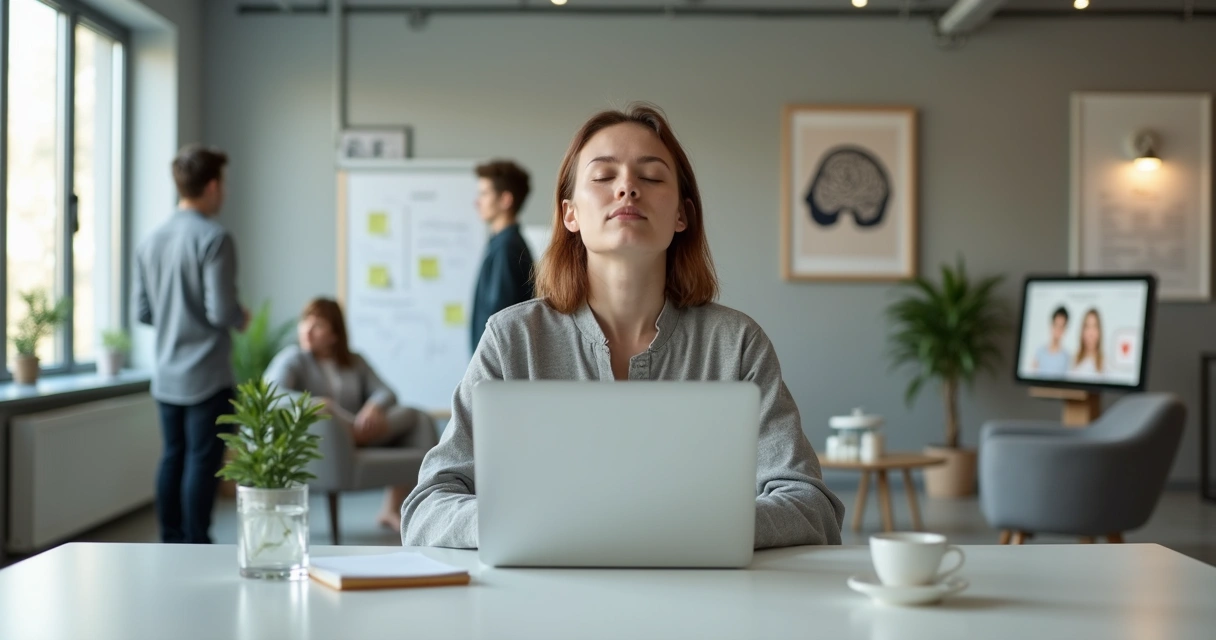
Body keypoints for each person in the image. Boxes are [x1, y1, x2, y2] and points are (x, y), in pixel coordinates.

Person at [402, 104, 845, 549]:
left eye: (651, 177)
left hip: (704, 606)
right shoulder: (512, 338)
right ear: (570, 213)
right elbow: (426, 509)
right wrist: (527, 523)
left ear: (681, 215)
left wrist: (692, 527)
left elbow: (812, 506)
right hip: (541, 608)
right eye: (603, 177)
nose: (628, 188)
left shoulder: (737, 345)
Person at [133, 145, 249, 544]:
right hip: (206, 374)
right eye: (225, 184)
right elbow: (220, 312)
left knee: (173, 456)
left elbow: (144, 312)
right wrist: (240, 315)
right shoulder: (215, 238)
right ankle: (196, 541)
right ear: (213, 185)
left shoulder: (151, 240)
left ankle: (170, 539)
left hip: (166, 373)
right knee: (202, 461)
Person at [264, 298, 439, 529]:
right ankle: (354, 433)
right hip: (327, 441)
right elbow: (270, 394)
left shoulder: (354, 361)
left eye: (317, 325)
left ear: (335, 334)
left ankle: (390, 508)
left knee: (412, 414)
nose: (307, 330)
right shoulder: (293, 359)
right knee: (328, 411)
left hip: (363, 430)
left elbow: (386, 392)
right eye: (305, 322)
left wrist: (372, 408)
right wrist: (315, 403)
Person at [470, 160, 535, 353]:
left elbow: (499, 320)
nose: (477, 202)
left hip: (495, 374)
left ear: (505, 200)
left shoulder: (506, 249)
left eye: (484, 194)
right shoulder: (503, 245)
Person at [1032, 306, 1071, 377]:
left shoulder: (1067, 357)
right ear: (1051, 325)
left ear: (1065, 329)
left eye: (1061, 327)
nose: (1057, 330)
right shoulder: (1039, 352)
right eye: (1056, 325)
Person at [1071, 308, 1104, 377]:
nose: (1090, 333)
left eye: (1094, 327)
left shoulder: (1105, 365)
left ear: (1099, 332)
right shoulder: (1072, 362)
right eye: (1087, 327)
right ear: (1082, 332)